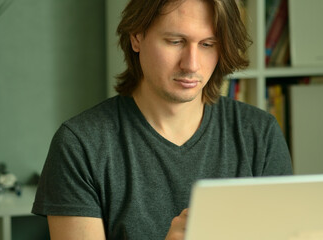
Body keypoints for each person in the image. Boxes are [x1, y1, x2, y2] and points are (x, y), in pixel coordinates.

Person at [32, 0, 293, 239]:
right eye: (175, 41)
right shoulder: (80, 145)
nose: (191, 64)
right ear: (136, 36)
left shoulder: (260, 134)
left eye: (207, 44)